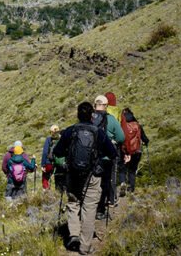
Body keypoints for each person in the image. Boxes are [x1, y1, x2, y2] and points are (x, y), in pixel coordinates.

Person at [53, 101, 118, 255]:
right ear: (92, 116)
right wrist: (100, 160)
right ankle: (85, 246)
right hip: (92, 176)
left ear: (77, 114)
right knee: (89, 209)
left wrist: (68, 159)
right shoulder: (98, 132)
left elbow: (57, 151)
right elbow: (113, 153)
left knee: (73, 203)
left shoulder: (70, 131)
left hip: (73, 174)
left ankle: (74, 235)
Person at [93, 94, 124, 219]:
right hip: (105, 158)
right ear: (106, 106)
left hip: (91, 158)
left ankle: (87, 209)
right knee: (105, 183)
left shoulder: (89, 118)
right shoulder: (111, 119)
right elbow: (121, 137)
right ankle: (100, 210)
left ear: (95, 105)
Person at [119, 108, 149, 194]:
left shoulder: (122, 125)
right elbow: (145, 138)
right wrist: (145, 142)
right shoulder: (137, 125)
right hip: (136, 151)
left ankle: (122, 182)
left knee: (122, 168)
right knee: (132, 170)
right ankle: (131, 188)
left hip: (124, 151)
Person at [41, 125, 62, 190]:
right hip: (59, 162)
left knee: (45, 178)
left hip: (49, 162)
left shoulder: (48, 139)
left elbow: (45, 152)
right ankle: (59, 191)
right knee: (59, 178)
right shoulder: (61, 139)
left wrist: (43, 164)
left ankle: (46, 191)